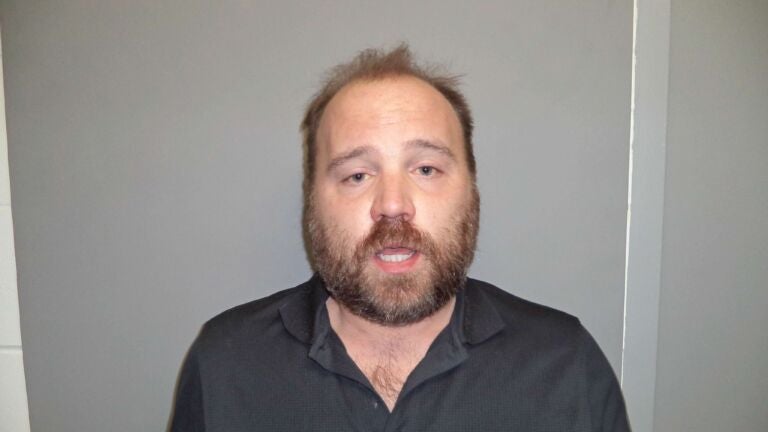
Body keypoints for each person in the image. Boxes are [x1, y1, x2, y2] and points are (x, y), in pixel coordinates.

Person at [170, 44, 631, 432]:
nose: (392, 204)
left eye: (426, 169)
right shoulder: (225, 364)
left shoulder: (567, 364)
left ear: (471, 191)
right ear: (313, 202)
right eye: (357, 175)